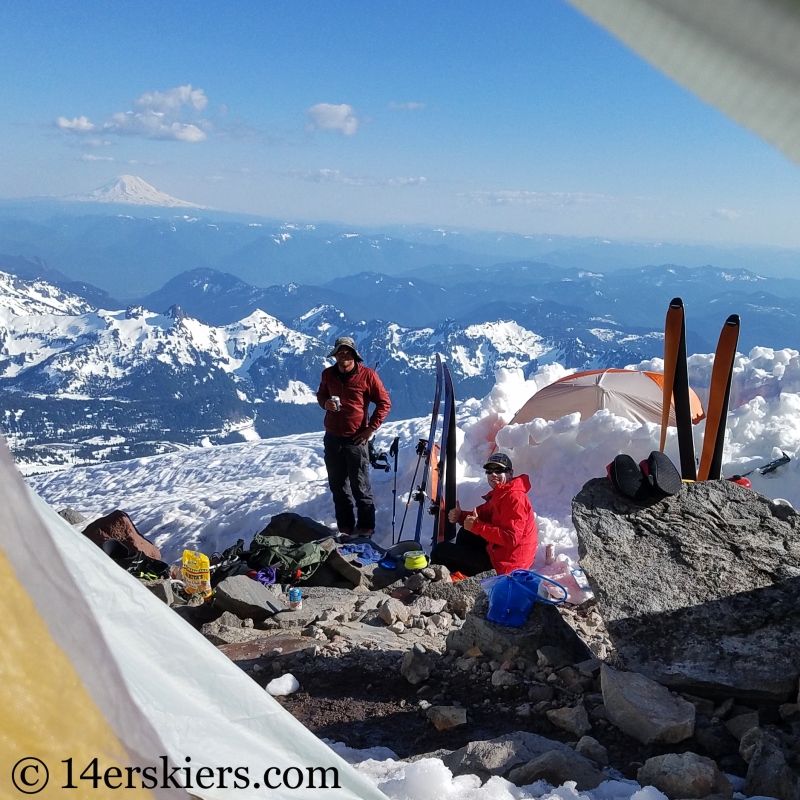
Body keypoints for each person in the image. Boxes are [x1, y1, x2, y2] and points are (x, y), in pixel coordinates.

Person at [317, 337, 391, 537]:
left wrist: (370, 430)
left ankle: (367, 526)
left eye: (347, 351)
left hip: (356, 439)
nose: (343, 355)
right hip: (332, 438)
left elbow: (384, 403)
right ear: (335, 354)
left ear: (354, 354)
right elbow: (321, 395)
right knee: (338, 486)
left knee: (360, 486)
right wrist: (325, 404)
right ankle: (345, 526)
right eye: (340, 352)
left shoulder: (368, 376)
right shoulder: (327, 374)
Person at [431, 453, 537, 576]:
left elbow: (511, 538)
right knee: (465, 533)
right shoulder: (502, 494)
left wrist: (476, 526)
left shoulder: (514, 498)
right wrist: (461, 516)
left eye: (499, 470)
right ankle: (463, 574)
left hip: (506, 568)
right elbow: (481, 515)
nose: (493, 474)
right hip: (501, 554)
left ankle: (446, 581)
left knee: (440, 551)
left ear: (510, 473)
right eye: (489, 470)